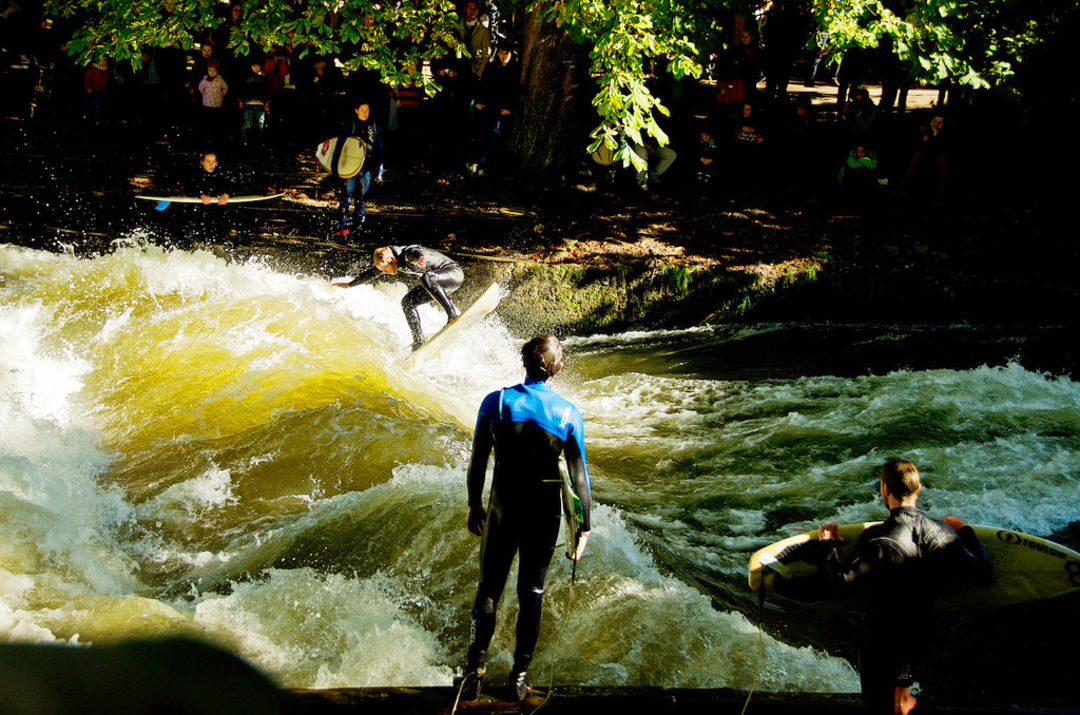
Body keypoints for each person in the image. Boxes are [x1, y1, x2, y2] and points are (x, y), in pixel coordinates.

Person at [457, 334, 592, 702]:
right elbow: (579, 478)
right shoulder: (567, 414)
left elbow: (478, 461)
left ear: (524, 365)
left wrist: (474, 503)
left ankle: (474, 674)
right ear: (558, 369)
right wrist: (583, 527)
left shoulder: (496, 402)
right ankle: (518, 679)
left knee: (488, 590)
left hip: (503, 508)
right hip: (544, 515)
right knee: (532, 594)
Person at [817, 460, 991, 715]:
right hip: (924, 638)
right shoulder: (943, 534)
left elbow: (840, 585)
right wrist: (965, 530)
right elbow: (983, 574)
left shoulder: (876, 537)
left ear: (885, 490)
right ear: (918, 488)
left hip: (882, 643)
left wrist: (828, 547)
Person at [332, 245, 461, 351]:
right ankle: (418, 341)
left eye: (385, 269)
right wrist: (349, 285)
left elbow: (415, 251)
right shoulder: (391, 259)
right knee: (407, 302)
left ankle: (452, 315)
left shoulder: (406, 254)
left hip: (453, 274)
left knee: (426, 278)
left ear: (391, 260)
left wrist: (420, 258)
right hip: (440, 285)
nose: (385, 272)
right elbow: (372, 273)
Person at [332, 99, 383, 238]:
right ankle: (341, 228)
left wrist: (380, 170)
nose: (365, 113)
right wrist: (335, 167)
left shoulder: (374, 126)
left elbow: (380, 148)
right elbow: (340, 146)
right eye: (362, 110)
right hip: (351, 168)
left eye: (367, 110)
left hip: (367, 168)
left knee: (361, 199)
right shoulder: (351, 125)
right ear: (356, 110)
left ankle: (357, 228)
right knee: (346, 197)